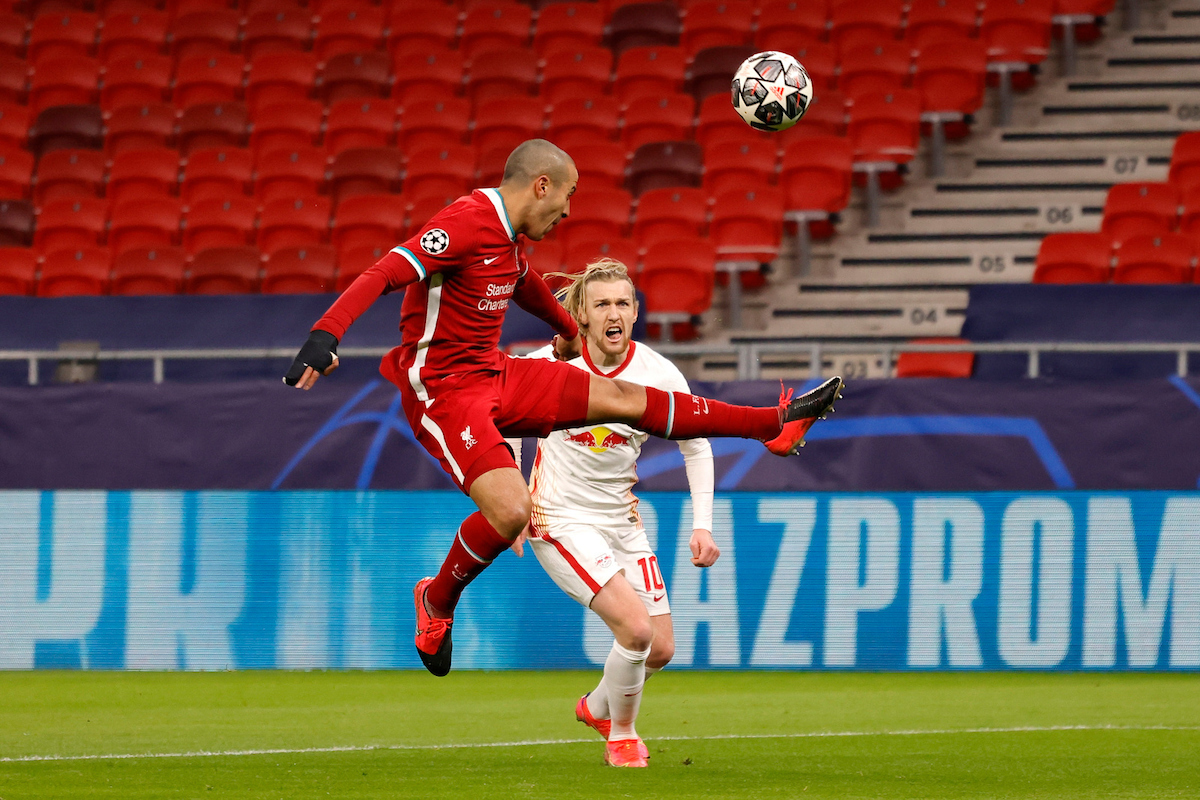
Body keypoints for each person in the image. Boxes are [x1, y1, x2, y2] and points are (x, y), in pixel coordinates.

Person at [283, 139, 843, 679]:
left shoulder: (506, 239)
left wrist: (565, 329)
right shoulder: (461, 225)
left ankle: (772, 424)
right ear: (540, 185)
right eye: (568, 196)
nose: (569, 211)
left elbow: (522, 281)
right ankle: (436, 597)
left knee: (623, 400)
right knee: (511, 512)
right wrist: (325, 334)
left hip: (497, 372)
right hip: (444, 390)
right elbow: (387, 269)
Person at [507, 258, 719, 768]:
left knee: (662, 649)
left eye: (622, 302)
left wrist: (703, 524)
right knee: (636, 632)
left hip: (622, 523)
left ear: (635, 311)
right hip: (558, 518)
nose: (613, 312)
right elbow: (503, 416)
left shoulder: (658, 372)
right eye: (601, 303)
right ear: (580, 314)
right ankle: (622, 735)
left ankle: (597, 706)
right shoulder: (549, 364)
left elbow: (697, 446)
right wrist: (511, 495)